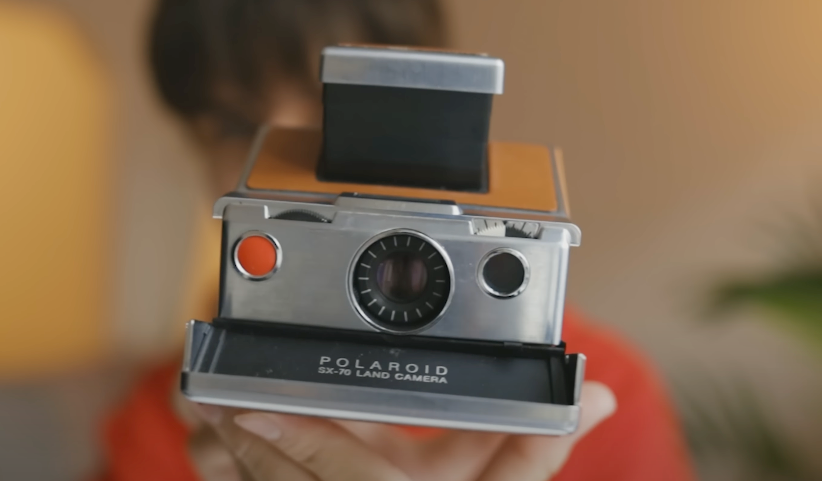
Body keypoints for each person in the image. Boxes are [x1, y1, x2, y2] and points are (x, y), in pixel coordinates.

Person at [94, 1, 698, 480]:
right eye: (238, 127)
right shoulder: (163, 420)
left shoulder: (612, 395)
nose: (292, 161)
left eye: (336, 111)